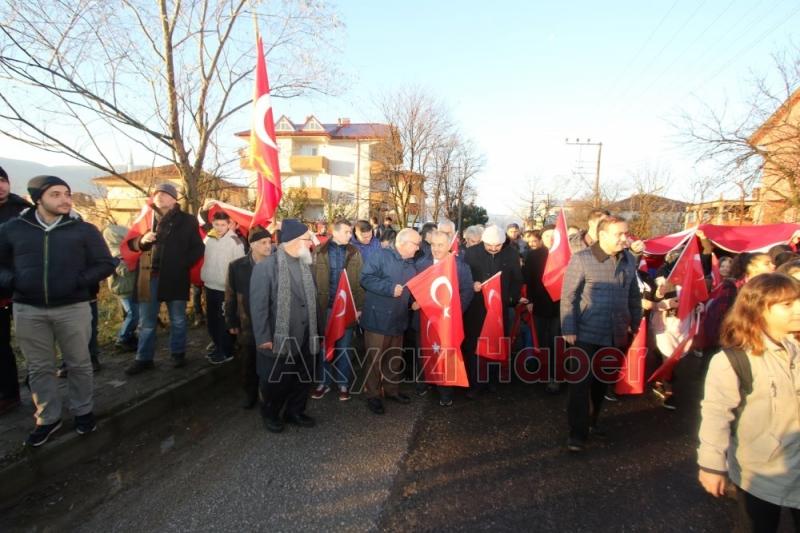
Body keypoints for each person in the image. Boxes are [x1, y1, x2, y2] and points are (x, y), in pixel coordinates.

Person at [0, 175, 114, 447]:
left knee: (79, 363)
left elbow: (105, 263)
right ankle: (48, 418)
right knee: (39, 367)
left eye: (67, 193)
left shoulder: (83, 230)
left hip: (73, 308)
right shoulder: (13, 229)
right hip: (28, 309)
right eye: (56, 194)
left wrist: (78, 282)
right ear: (38, 199)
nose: (65, 199)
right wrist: (14, 282)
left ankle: (83, 410)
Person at [697, 273, 800, 532]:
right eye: (787, 304)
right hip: (762, 473)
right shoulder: (733, 360)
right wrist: (711, 465)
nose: (798, 309)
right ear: (758, 310)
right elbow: (716, 414)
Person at [560, 215, 642, 453]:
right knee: (579, 385)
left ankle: (593, 421)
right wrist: (569, 328)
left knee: (600, 384)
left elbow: (633, 295)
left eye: (626, 233)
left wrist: (634, 322)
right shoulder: (582, 259)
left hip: (614, 333)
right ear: (603, 235)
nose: (624, 238)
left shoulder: (628, 260)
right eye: (620, 234)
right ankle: (577, 433)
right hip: (584, 334)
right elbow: (569, 296)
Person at [124, 183, 205, 375]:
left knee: (177, 319)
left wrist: (182, 264)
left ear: (174, 199)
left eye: (164, 193)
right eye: (157, 193)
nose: (159, 196)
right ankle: (143, 358)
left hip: (175, 277)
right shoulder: (146, 217)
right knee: (147, 321)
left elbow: (198, 248)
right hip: (148, 276)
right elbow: (131, 242)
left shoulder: (188, 220)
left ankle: (178, 353)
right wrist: (141, 241)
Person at [250, 219, 321, 433]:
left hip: (307, 336)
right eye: (308, 239)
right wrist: (264, 338)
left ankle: (295, 411)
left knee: (302, 378)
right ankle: (270, 414)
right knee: (276, 383)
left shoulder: (306, 264)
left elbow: (313, 301)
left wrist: (319, 330)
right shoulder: (265, 268)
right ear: (293, 241)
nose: (311, 243)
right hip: (280, 337)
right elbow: (259, 307)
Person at [359, 228, 421, 415]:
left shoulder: (410, 264)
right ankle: (373, 395)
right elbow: (365, 279)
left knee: (394, 358)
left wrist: (413, 302)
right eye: (416, 244)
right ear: (402, 243)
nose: (418, 248)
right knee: (375, 360)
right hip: (378, 319)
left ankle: (392, 390)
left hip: (398, 318)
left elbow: (410, 289)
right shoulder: (380, 256)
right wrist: (388, 288)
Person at [462, 225, 523, 398]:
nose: (494, 248)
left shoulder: (511, 253)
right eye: (490, 245)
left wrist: (511, 299)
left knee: (495, 344)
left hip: (499, 308)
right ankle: (475, 383)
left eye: (497, 246)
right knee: (475, 346)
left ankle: (492, 380)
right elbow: (464, 276)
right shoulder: (472, 253)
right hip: (477, 308)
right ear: (483, 241)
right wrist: (472, 284)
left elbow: (517, 279)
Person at [414, 230, 473, 406]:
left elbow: (467, 290)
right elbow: (414, 288)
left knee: (446, 355)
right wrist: (415, 301)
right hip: (425, 320)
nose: (436, 249)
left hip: (447, 321)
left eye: (441, 245)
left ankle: (445, 392)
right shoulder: (421, 264)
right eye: (433, 245)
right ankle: (423, 383)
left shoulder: (460, 266)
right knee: (423, 351)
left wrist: (454, 311)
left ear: (449, 245)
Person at [310, 219, 365, 402]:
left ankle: (343, 383)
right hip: (325, 308)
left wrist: (358, 307)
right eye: (348, 232)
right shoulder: (318, 252)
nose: (351, 235)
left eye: (351, 232)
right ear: (335, 232)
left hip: (347, 308)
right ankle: (323, 383)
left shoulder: (355, 253)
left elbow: (359, 283)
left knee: (345, 347)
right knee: (325, 346)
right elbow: (312, 281)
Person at [225, 226, 271, 409]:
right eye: (264, 242)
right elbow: (230, 296)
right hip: (247, 323)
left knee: (268, 363)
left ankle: (267, 395)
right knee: (248, 362)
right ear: (252, 244)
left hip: (270, 323)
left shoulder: (276, 264)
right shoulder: (236, 267)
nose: (269, 246)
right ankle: (249, 393)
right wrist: (231, 320)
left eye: (270, 242)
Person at [0, 166, 32, 415]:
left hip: (24, 287)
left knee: (32, 341)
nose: (1, 185)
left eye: (3, 180)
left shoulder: (24, 210)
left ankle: (36, 384)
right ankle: (9, 394)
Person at [201, 211, 245, 365]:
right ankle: (218, 345)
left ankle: (227, 351)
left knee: (223, 321)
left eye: (223, 225)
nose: (219, 228)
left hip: (224, 288)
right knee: (212, 320)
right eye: (216, 224)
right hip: (209, 285)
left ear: (229, 224)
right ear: (213, 224)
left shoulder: (235, 241)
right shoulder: (209, 239)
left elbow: (240, 266)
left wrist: (234, 287)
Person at [102, 225, 139, 352]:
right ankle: (122, 339)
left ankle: (129, 337)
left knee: (131, 314)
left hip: (127, 287)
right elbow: (124, 270)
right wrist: (135, 260)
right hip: (123, 288)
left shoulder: (119, 250)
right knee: (134, 314)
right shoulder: (116, 253)